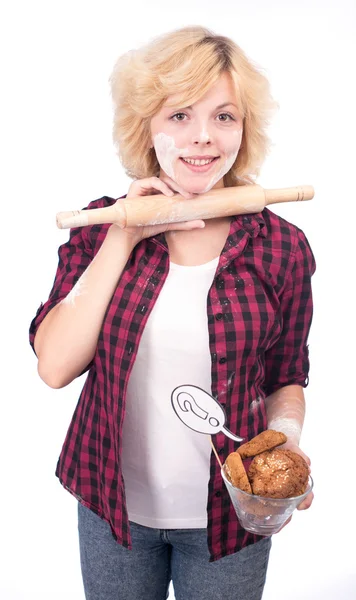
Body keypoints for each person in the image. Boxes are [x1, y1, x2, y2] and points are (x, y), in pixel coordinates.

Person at [29, 25, 316, 600]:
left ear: (245, 128)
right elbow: (54, 367)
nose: (202, 138)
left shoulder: (281, 246)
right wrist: (124, 238)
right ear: (147, 127)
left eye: (224, 117)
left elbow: (286, 375)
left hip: (229, 518)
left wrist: (283, 445)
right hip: (114, 510)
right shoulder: (103, 227)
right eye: (179, 116)